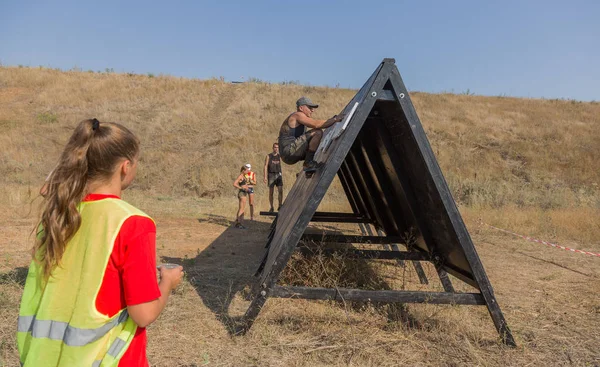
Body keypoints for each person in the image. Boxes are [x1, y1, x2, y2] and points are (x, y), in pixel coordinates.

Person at [17, 119, 183, 367]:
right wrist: (167, 282)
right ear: (125, 167)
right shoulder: (133, 223)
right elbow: (143, 314)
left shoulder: (57, 216)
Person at [278, 96, 344, 172]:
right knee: (317, 132)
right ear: (301, 108)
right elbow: (316, 124)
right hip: (288, 152)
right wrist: (335, 119)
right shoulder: (297, 115)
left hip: (289, 153)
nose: (312, 110)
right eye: (310, 107)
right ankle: (308, 163)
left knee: (315, 142)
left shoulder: (300, 117)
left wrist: (331, 120)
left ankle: (308, 168)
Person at [263, 142, 283, 212]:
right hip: (271, 174)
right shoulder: (269, 156)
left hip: (278, 174)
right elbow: (265, 166)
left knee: (280, 191)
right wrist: (265, 177)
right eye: (275, 147)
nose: (276, 149)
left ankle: (280, 205)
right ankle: (271, 207)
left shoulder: (280, 156)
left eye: (277, 148)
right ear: (273, 148)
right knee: (271, 192)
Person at [233, 164, 254, 229]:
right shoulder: (241, 176)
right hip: (242, 193)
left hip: (244, 193)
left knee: (242, 209)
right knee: (241, 209)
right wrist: (241, 188)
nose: (247, 171)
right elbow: (234, 184)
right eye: (246, 170)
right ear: (243, 170)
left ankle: (239, 222)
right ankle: (239, 224)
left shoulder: (244, 176)